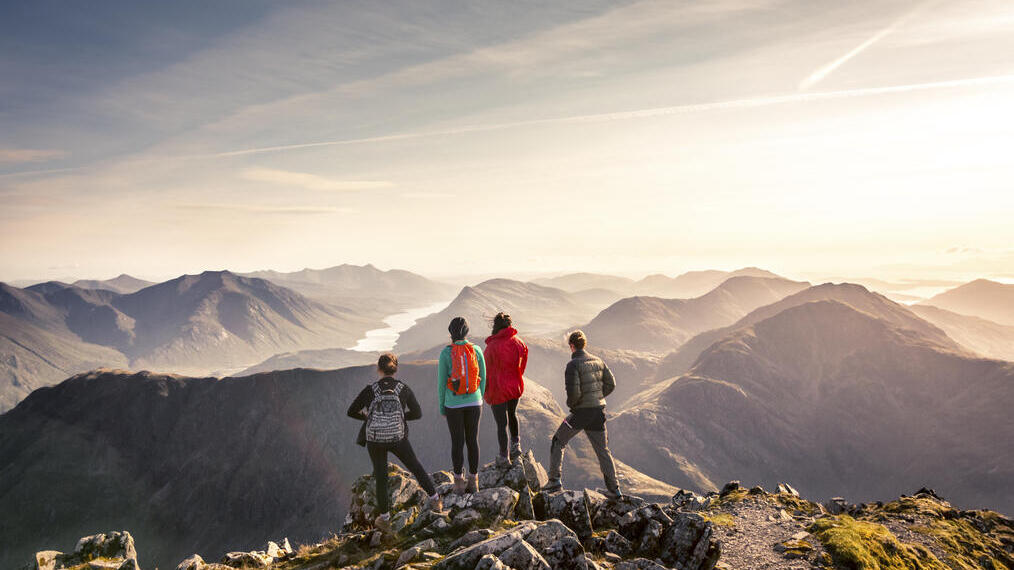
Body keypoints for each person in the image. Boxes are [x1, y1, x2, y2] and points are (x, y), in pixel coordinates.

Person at [347, 353, 441, 527]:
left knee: (381, 476)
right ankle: (435, 500)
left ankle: (384, 518)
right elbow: (418, 413)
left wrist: (369, 417)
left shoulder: (370, 390)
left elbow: (351, 411)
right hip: (398, 437)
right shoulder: (403, 389)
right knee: (414, 465)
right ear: (395, 369)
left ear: (379, 369)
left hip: (375, 439)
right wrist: (400, 418)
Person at [543, 329, 622, 499]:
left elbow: (573, 393)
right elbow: (612, 384)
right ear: (584, 344)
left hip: (581, 413)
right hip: (598, 411)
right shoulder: (599, 361)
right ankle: (614, 490)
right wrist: (598, 397)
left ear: (572, 346)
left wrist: (574, 406)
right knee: (603, 450)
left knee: (558, 441)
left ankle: (554, 480)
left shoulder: (573, 365)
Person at [438, 316, 486, 494]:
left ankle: (458, 483)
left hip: (453, 404)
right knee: (472, 440)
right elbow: (484, 377)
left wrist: (443, 407)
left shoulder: (445, 353)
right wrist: (479, 396)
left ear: (451, 332)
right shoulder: (477, 350)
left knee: (457, 442)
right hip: (475, 401)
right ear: (467, 332)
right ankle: (474, 481)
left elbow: (441, 383)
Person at [483, 312, 528, 466]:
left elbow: (485, 371)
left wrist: (485, 391)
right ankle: (516, 447)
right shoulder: (518, 342)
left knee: (501, 424)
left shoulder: (491, 347)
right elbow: (522, 365)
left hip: (498, 390)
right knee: (513, 414)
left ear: (495, 326)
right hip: (514, 387)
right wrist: (516, 377)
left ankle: (504, 456)